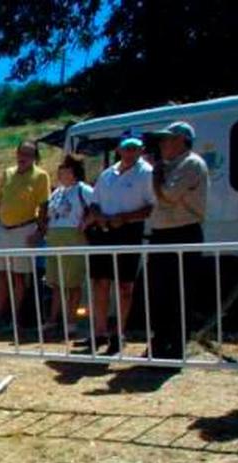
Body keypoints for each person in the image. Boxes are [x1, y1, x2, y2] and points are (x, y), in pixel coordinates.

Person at [85, 135, 156, 354]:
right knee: (100, 282)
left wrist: (124, 218)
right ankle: (99, 331)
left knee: (125, 285)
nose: (130, 152)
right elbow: (94, 203)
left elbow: (151, 207)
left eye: (135, 148)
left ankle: (119, 332)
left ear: (141, 149)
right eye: (126, 148)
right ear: (119, 149)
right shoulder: (107, 174)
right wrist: (99, 217)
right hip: (104, 231)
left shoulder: (147, 173)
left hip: (129, 231)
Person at [148, 121, 209, 360]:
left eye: (167, 139)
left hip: (184, 232)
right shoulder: (168, 166)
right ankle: (160, 342)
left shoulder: (191, 163)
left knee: (179, 291)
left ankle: (175, 346)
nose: (162, 144)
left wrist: (156, 174)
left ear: (182, 141)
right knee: (159, 291)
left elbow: (169, 195)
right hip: (162, 233)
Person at [0, 140, 50, 328]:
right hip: (3, 229)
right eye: (21, 153)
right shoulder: (8, 173)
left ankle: (16, 317)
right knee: (0, 275)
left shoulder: (41, 176)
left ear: (35, 158)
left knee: (19, 277)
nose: (23, 157)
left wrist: (40, 231)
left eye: (28, 154)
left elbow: (44, 205)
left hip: (24, 229)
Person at [44, 155, 94, 335]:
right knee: (56, 283)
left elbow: (96, 208)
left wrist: (85, 223)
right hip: (55, 238)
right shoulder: (57, 192)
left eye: (65, 169)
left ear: (74, 172)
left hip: (73, 237)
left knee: (73, 283)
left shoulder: (83, 189)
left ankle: (71, 321)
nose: (61, 172)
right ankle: (53, 320)